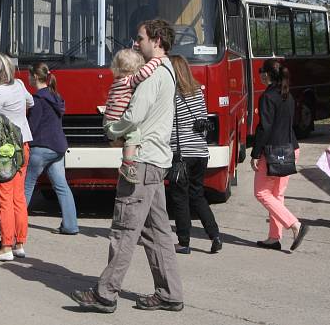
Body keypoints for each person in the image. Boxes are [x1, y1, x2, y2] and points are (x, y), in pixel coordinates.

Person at [71, 19, 183, 313]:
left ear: (157, 40)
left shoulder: (152, 75)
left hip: (142, 161)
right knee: (156, 232)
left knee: (124, 229)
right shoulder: (167, 70)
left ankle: (105, 293)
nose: (136, 43)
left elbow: (133, 116)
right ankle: (170, 293)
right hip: (155, 161)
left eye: (140, 38)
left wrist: (110, 130)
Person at [251, 59, 308, 251]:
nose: (259, 74)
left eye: (260, 71)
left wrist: (256, 153)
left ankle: (295, 225)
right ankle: (274, 237)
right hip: (291, 148)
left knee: (262, 193)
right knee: (277, 195)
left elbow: (265, 128)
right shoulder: (287, 95)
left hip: (273, 151)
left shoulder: (267, 96)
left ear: (266, 74)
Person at [166, 55, 222, 255]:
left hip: (182, 154)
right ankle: (215, 235)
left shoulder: (171, 94)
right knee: (197, 195)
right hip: (201, 152)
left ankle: (183, 242)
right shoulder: (197, 92)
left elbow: (168, 124)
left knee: (180, 198)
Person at [0, 53, 33, 261]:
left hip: (6, 149)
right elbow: (30, 102)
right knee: (18, 197)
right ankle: (19, 243)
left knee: (4, 197)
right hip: (24, 145)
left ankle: (5, 246)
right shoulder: (20, 84)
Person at [23, 62, 79, 235]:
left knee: (27, 185)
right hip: (58, 147)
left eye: (29, 75)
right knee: (62, 186)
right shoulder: (55, 96)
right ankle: (70, 226)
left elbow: (31, 127)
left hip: (41, 147)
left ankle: (16, 226)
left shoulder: (38, 100)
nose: (27, 77)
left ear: (34, 77)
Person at [104, 49, 161, 183]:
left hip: (108, 121)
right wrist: (156, 60)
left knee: (127, 137)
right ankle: (127, 164)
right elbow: (144, 73)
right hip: (116, 123)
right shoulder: (128, 81)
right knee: (134, 134)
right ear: (134, 68)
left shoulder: (117, 81)